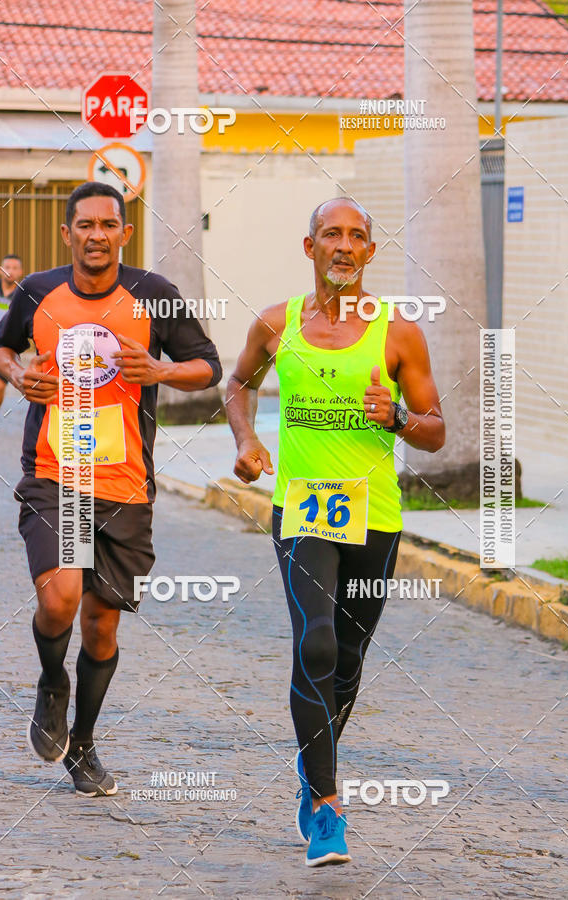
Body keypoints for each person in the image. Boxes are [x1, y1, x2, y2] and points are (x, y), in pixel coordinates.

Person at [225, 198, 445, 866]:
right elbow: (237, 385)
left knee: (347, 661)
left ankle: (309, 769)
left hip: (374, 513)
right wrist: (247, 440)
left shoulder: (399, 332)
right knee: (316, 643)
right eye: (331, 235)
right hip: (304, 506)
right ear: (309, 246)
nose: (344, 246)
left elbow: (437, 432)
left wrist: (398, 418)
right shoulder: (276, 322)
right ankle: (327, 808)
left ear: (370, 253)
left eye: (357, 237)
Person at [0, 182, 221, 797]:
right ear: (68, 234)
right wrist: (17, 373)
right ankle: (50, 684)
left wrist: (163, 370)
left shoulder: (154, 295)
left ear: (123, 233)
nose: (96, 235)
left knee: (100, 627)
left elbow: (208, 364)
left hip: (125, 486)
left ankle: (83, 743)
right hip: (57, 474)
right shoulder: (38, 291)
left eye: (108, 225)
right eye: (84, 225)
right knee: (61, 598)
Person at [0, 254, 24, 433]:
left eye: (14, 268)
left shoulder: (22, 295)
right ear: (0, 269)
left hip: (4, 347)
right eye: (6, 267)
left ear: (20, 272)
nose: (10, 271)